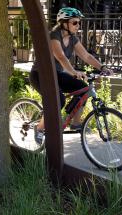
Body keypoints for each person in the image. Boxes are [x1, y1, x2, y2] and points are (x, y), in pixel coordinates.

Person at [29, 7, 109, 141]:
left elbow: (87, 56)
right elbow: (61, 57)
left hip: (57, 74)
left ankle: (75, 123)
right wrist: (73, 72)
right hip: (40, 74)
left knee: (83, 89)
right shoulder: (54, 36)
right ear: (64, 23)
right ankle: (40, 128)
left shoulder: (73, 39)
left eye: (79, 23)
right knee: (58, 100)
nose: (78, 26)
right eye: (74, 23)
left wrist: (102, 67)